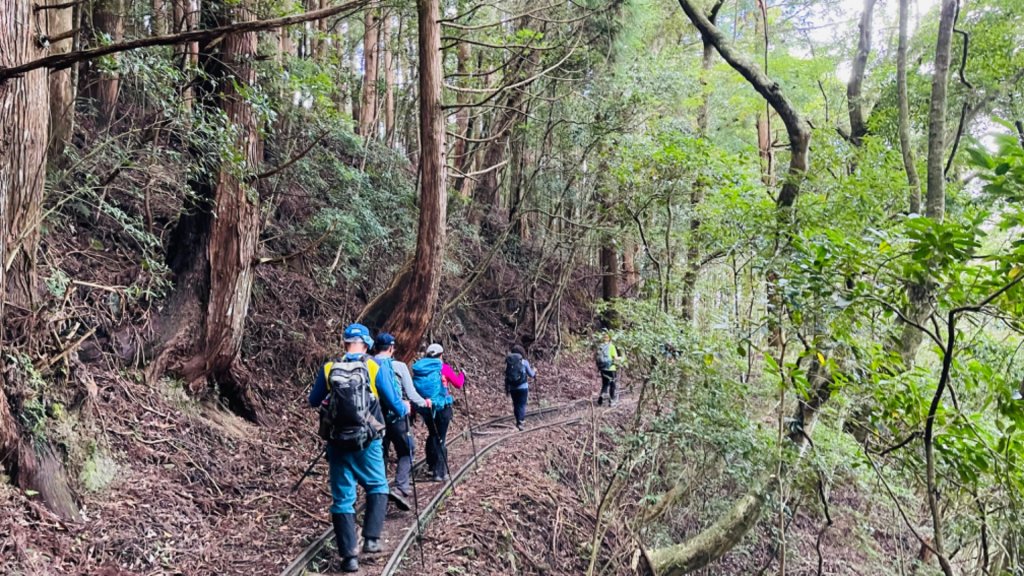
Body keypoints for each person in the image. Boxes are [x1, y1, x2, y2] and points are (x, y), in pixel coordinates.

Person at [309, 323, 408, 573]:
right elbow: (394, 403)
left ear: (345, 344)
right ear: (366, 344)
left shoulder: (330, 367)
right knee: (377, 485)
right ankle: (372, 540)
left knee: (343, 498)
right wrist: (404, 408)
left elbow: (312, 400)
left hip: (337, 442)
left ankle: (349, 557)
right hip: (368, 442)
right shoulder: (373, 367)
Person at [374, 333, 428, 498]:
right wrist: (424, 402)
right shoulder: (399, 366)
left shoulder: (367, 364)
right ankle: (401, 487)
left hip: (374, 418)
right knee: (407, 450)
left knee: (381, 453)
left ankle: (379, 491)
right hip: (396, 416)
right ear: (391, 348)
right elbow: (411, 394)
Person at [412, 343, 464, 482]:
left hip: (426, 408)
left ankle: (431, 464)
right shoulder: (443, 368)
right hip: (442, 408)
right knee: (441, 437)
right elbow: (458, 384)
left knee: (433, 434)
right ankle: (439, 472)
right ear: (441, 355)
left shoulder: (419, 368)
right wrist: (462, 375)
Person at [505, 344, 537, 431]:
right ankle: (521, 422)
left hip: (512, 387)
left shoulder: (509, 362)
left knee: (516, 405)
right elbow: (531, 374)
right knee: (522, 405)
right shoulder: (524, 362)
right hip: (523, 387)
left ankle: (517, 421)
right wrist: (534, 371)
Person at [594, 332, 620, 407]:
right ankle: (611, 401)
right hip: (611, 368)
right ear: (609, 338)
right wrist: (621, 358)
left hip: (603, 369)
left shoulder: (600, 347)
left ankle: (601, 398)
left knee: (605, 384)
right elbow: (615, 358)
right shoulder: (611, 346)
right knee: (612, 384)